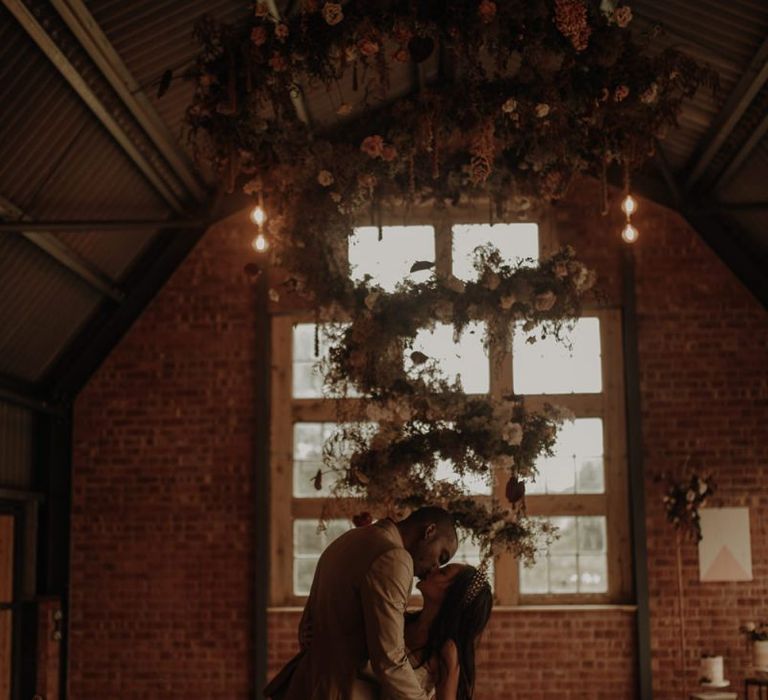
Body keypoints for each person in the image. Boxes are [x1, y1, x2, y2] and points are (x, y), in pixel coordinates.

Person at [265, 507, 459, 699]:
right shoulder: (394, 558)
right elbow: (389, 659)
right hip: (343, 691)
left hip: (306, 683)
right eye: (441, 556)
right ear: (430, 531)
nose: (435, 567)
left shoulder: (351, 537)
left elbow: (307, 627)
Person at [398, 562, 493, 700]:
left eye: (442, 572)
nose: (433, 568)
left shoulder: (446, 649)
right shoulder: (403, 620)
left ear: (453, 595)